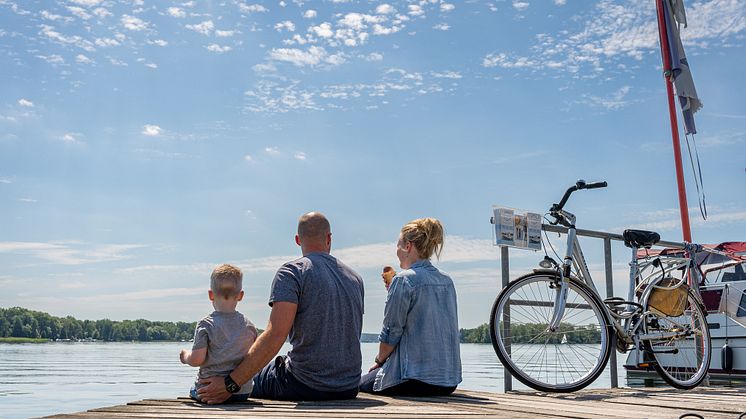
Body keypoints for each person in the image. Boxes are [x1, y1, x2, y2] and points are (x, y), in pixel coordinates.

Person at [198, 211, 365, 403]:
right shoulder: (355, 279)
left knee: (244, 379)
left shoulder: (292, 272)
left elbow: (276, 334)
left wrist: (230, 384)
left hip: (303, 384)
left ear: (297, 239)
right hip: (348, 387)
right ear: (329, 238)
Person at [360, 217, 462, 396]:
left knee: (356, 384)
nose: (397, 251)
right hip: (448, 382)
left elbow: (391, 331)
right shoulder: (447, 281)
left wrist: (379, 360)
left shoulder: (404, 280)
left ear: (408, 246)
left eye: (398, 245)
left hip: (414, 379)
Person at [180, 264, 258, 403]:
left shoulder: (206, 324)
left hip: (208, 389)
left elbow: (197, 359)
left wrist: (185, 356)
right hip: (243, 392)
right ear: (240, 296)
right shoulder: (250, 327)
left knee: (194, 389)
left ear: (211, 294)